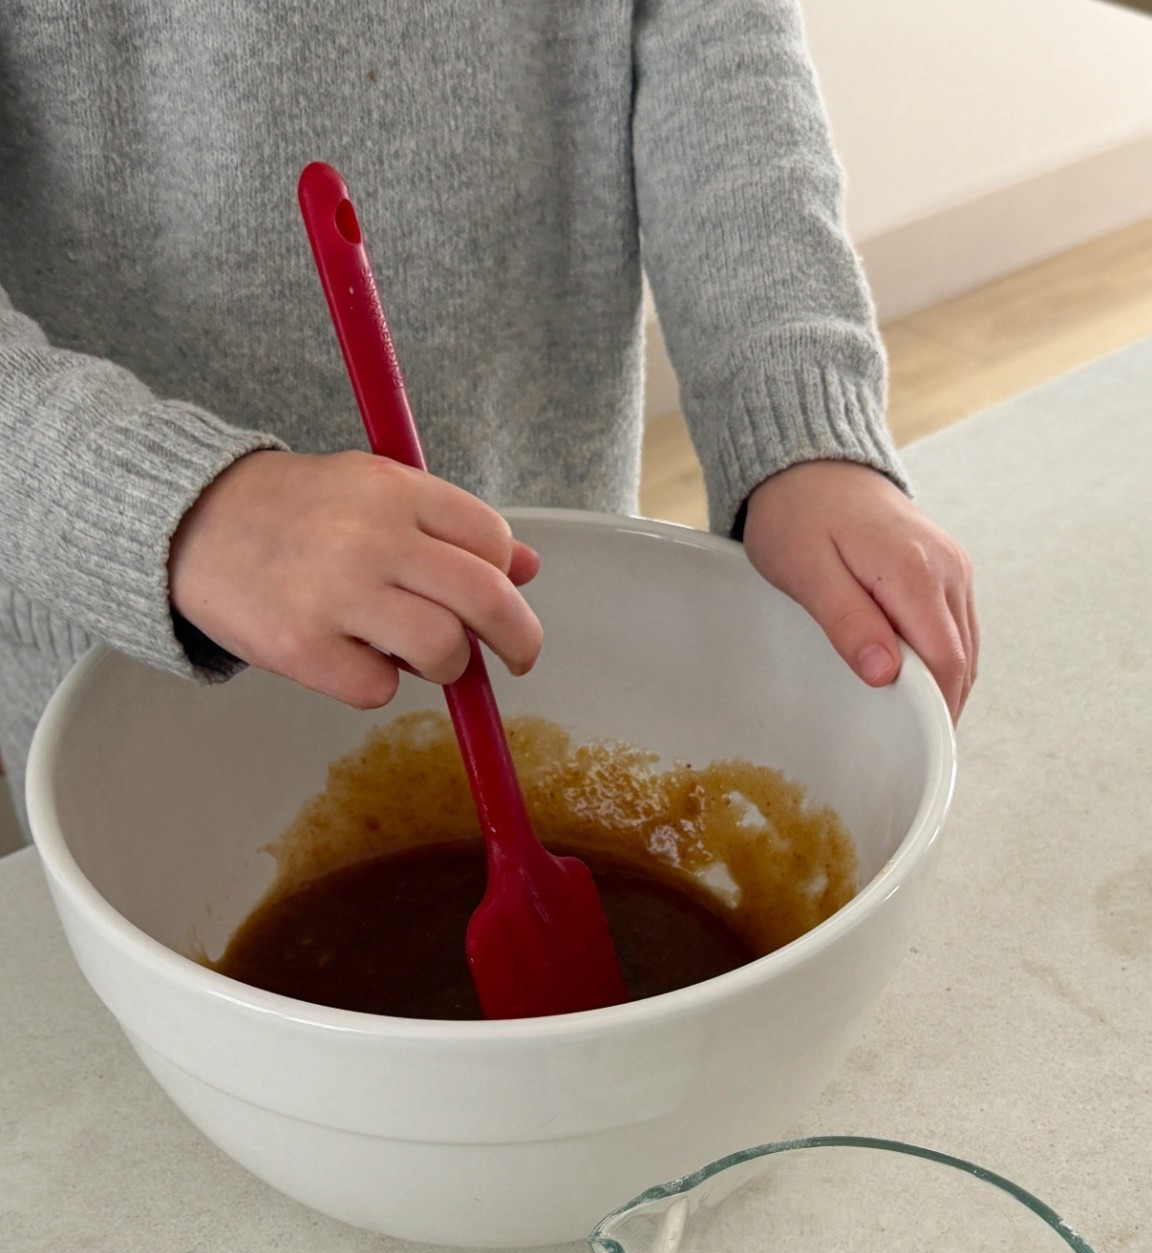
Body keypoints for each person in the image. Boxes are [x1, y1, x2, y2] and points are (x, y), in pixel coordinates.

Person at [0, 2, 976, 837]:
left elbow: (708, 36)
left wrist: (800, 426)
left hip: (553, 583)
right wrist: (178, 508)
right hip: (124, 657)